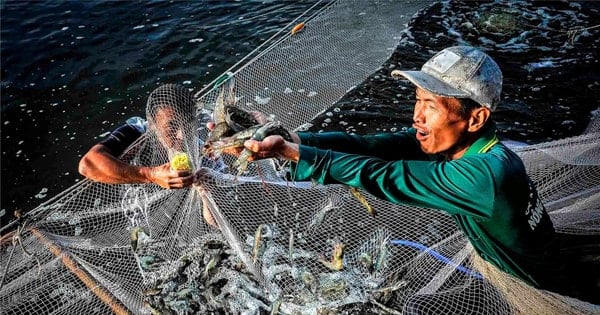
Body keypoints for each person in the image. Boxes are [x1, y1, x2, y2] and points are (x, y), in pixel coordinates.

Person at [234, 46, 598, 305]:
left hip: (543, 290)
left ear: (476, 119)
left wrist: (292, 154)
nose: (417, 117)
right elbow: (372, 149)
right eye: (417, 100)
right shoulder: (458, 147)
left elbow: (386, 175)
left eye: (431, 106)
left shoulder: (488, 175)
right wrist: (298, 140)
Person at [79, 83, 218, 226]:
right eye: (172, 126)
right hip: (145, 204)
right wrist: (151, 175)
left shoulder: (205, 135)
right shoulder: (137, 132)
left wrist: (206, 194)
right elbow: (87, 164)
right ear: (153, 125)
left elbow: (216, 221)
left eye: (188, 123)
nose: (181, 135)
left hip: (186, 213)